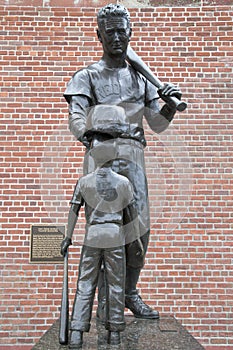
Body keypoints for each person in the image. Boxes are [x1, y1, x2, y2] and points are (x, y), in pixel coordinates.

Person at [63, 3, 182, 320]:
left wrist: (168, 104)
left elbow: (156, 123)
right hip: (101, 157)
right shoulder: (86, 76)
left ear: (130, 33)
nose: (116, 36)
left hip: (133, 158)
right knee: (104, 232)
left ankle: (128, 292)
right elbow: (76, 121)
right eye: (110, 30)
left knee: (138, 231)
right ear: (98, 34)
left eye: (121, 30)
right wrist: (99, 131)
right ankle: (105, 301)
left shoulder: (142, 79)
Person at [61, 107, 143, 348]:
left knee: (85, 284)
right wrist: (136, 243)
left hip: (93, 235)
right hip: (115, 236)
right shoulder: (124, 183)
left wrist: (67, 237)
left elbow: (73, 212)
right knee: (116, 284)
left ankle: (76, 331)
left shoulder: (84, 182)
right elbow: (132, 218)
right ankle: (115, 332)